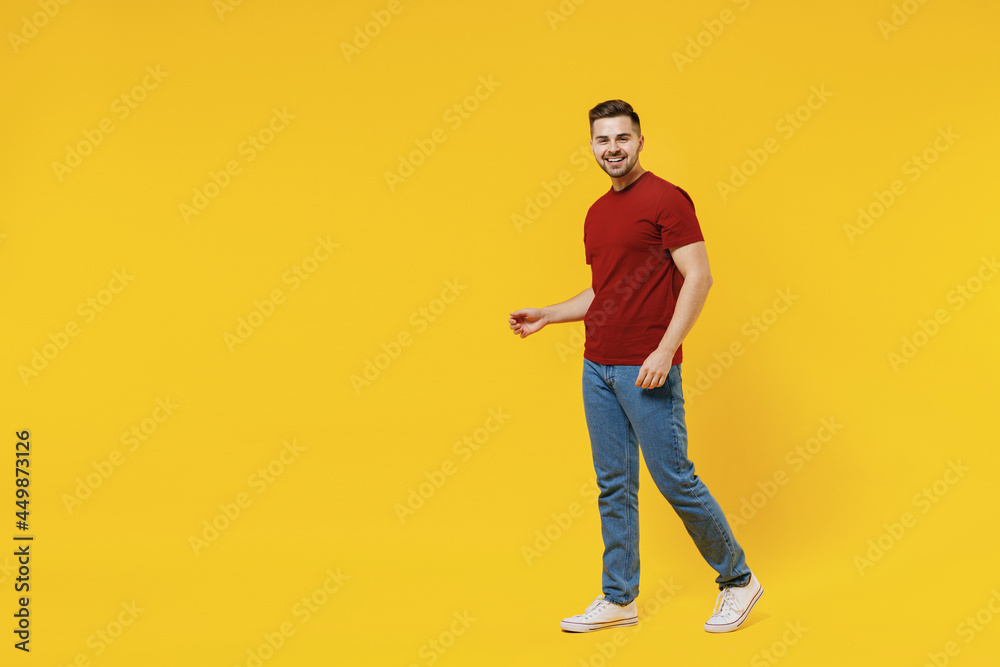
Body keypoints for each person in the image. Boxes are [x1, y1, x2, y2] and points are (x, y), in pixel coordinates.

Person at [508, 100, 762, 634]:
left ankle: (738, 580)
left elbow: (699, 276)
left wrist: (665, 350)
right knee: (613, 485)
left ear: (640, 140)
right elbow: (605, 291)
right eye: (603, 141)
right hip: (597, 365)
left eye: (622, 139)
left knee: (674, 479)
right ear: (593, 147)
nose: (612, 149)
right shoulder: (597, 213)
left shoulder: (668, 200)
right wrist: (550, 314)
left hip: (645, 365)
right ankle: (619, 598)